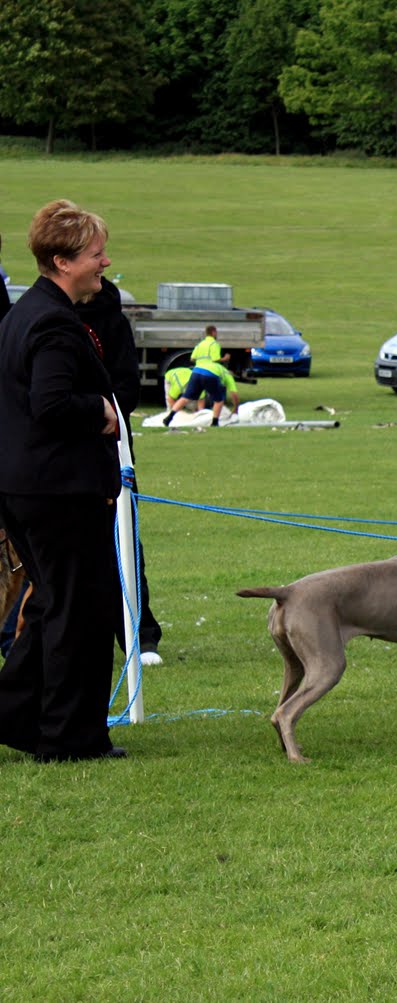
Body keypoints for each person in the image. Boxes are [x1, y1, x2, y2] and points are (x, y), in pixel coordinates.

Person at [0, 200, 126, 762]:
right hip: (59, 490)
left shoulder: (25, 311)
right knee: (81, 611)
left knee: (53, 603)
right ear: (62, 260)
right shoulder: (51, 320)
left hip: (27, 485)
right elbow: (50, 403)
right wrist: (100, 408)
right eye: (96, 254)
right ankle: (69, 738)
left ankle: (19, 718)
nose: (104, 263)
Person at [78, 277, 163, 664]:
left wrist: (103, 413)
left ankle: (140, 634)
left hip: (108, 451)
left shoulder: (110, 320)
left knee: (124, 539)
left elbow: (125, 388)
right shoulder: (43, 315)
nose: (104, 263)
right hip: (48, 456)